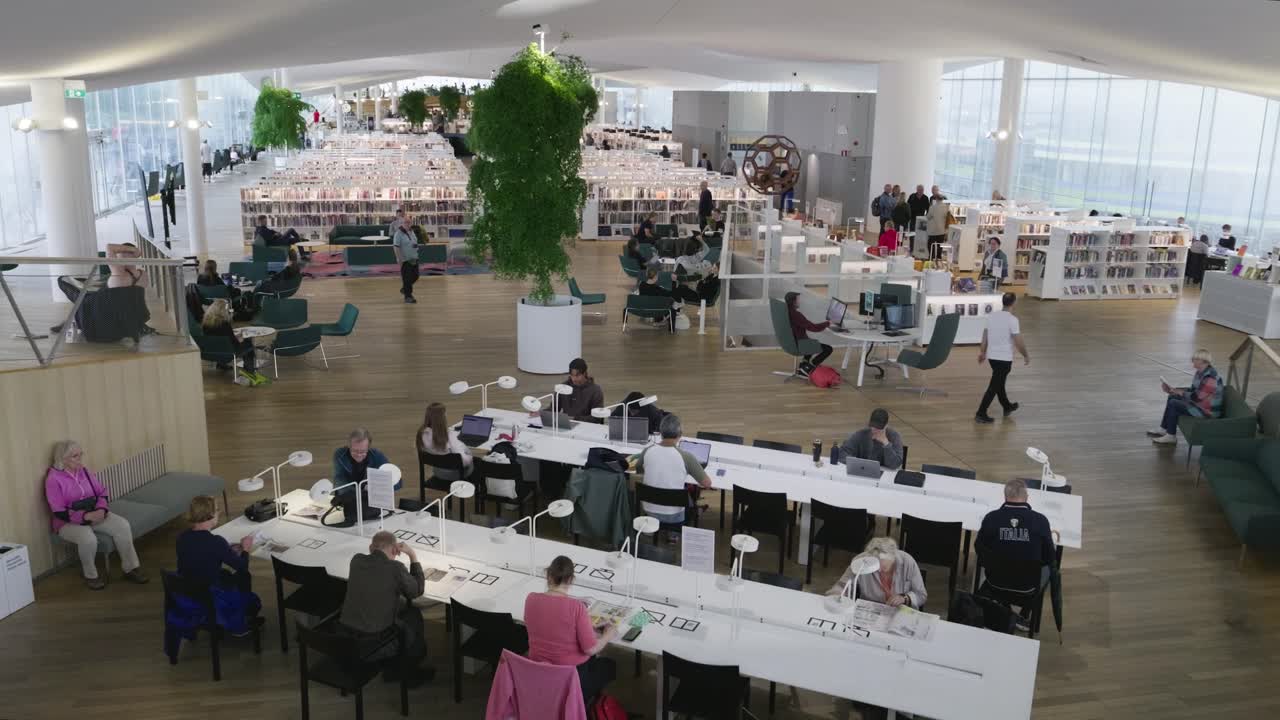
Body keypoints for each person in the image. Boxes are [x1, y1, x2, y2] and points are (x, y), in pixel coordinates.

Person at [45, 440, 148, 590]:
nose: (80, 459)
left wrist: (101, 510)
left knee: (122, 525)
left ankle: (131, 569)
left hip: (94, 513)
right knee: (88, 539)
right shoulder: (53, 479)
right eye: (75, 456)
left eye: (81, 455)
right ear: (63, 458)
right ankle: (91, 575)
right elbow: (58, 511)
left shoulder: (84, 471)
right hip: (67, 522)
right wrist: (85, 517)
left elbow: (102, 492)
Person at [338, 531, 433, 687]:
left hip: (346, 636)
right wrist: (412, 555)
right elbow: (416, 590)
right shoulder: (395, 568)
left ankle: (399, 666)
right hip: (374, 644)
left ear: (371, 547)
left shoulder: (356, 560)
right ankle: (408, 671)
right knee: (414, 615)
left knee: (400, 608)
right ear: (394, 549)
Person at [524, 556, 618, 702]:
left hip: (540, 672)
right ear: (571, 580)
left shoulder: (531, 599)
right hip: (572, 679)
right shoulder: (576, 607)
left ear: (548, 575)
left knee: (593, 660)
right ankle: (582, 707)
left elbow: (544, 626)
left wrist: (585, 626)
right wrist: (608, 634)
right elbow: (590, 649)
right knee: (610, 666)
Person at [175, 495, 261, 636]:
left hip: (188, 589)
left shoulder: (182, 538)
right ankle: (241, 620)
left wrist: (227, 551)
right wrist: (245, 549)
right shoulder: (216, 542)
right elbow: (242, 566)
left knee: (226, 575)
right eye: (217, 510)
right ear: (209, 515)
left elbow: (199, 555)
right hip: (210, 593)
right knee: (244, 576)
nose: (218, 513)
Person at [975, 480, 1055, 624]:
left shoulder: (991, 518)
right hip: (1027, 588)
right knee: (1050, 569)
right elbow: (1050, 556)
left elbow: (979, 549)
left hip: (995, 584)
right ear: (1027, 497)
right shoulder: (1041, 520)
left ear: (1005, 497)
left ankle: (1003, 606)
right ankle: (1025, 612)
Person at [628, 414, 711, 525]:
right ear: (680, 434)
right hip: (675, 515)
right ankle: (673, 533)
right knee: (691, 495)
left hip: (648, 509)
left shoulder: (647, 451)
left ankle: (653, 528)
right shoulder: (687, 457)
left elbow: (639, 470)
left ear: (660, 433)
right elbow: (707, 483)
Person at [825, 537, 926, 609]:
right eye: (876, 566)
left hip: (901, 613)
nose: (879, 571)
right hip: (870, 612)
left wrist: (905, 598)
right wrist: (836, 594)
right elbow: (842, 585)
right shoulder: (861, 561)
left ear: (893, 557)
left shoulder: (907, 562)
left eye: (884, 567)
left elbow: (921, 595)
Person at [1149, 349, 1222, 445]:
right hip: (1200, 404)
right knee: (1172, 397)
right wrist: (1174, 391)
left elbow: (1196, 397)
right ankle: (1164, 428)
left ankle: (1171, 436)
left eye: (1195, 359)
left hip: (1206, 411)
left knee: (1174, 403)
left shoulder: (1210, 378)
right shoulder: (1200, 372)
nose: (1192, 360)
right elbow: (1193, 391)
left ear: (1203, 361)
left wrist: (1181, 393)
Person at [976, 292, 1029, 423]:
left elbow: (985, 336)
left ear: (1003, 302)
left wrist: (982, 352)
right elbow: (1018, 341)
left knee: (999, 383)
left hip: (992, 358)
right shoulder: (1013, 320)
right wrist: (1025, 355)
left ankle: (1007, 406)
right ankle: (981, 413)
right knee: (994, 386)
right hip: (1004, 359)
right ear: (1014, 303)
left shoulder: (991, 316)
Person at [201, 299, 263, 382]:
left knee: (220, 344)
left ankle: (221, 364)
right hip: (228, 353)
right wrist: (240, 338)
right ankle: (249, 370)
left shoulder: (205, 324)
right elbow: (234, 343)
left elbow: (220, 338)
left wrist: (234, 337)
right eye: (228, 309)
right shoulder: (225, 324)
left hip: (212, 351)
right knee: (248, 343)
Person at [416, 402, 475, 481]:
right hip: (454, 474)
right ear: (442, 418)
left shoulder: (421, 434)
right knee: (479, 463)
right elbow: (464, 461)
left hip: (437, 471)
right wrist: (470, 454)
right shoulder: (448, 436)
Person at [333, 427, 398, 493]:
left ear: (368, 448)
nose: (359, 455)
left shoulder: (377, 456)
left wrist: (377, 487)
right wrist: (361, 493)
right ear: (349, 446)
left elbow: (397, 482)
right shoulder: (340, 455)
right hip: (347, 496)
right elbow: (339, 481)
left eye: (363, 451)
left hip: (370, 497)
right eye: (355, 451)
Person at [839, 408, 905, 470]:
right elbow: (842, 452)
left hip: (884, 475)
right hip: (862, 471)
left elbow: (895, 464)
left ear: (886, 425)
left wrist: (886, 444)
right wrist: (857, 463)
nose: (874, 430)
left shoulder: (894, 436)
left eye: (878, 428)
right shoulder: (862, 434)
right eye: (873, 426)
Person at [784, 291, 832, 373]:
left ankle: (804, 363)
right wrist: (828, 323)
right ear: (793, 302)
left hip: (789, 342)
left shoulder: (785, 311)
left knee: (810, 341)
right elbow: (813, 328)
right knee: (828, 349)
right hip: (798, 344)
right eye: (798, 299)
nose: (800, 301)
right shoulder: (796, 315)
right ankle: (810, 366)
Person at [392, 214, 420, 304]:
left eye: (409, 222)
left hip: (414, 258)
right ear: (402, 223)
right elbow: (396, 247)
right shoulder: (398, 233)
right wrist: (399, 259)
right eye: (406, 222)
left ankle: (405, 288)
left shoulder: (412, 231)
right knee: (407, 278)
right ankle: (408, 297)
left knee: (416, 276)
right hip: (405, 260)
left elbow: (414, 242)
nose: (408, 224)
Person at [925, 195, 950, 260]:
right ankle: (939, 258)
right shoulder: (946, 208)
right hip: (942, 230)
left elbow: (928, 217)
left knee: (931, 245)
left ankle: (931, 257)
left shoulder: (932, 207)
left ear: (936, 199)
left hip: (933, 231)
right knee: (940, 245)